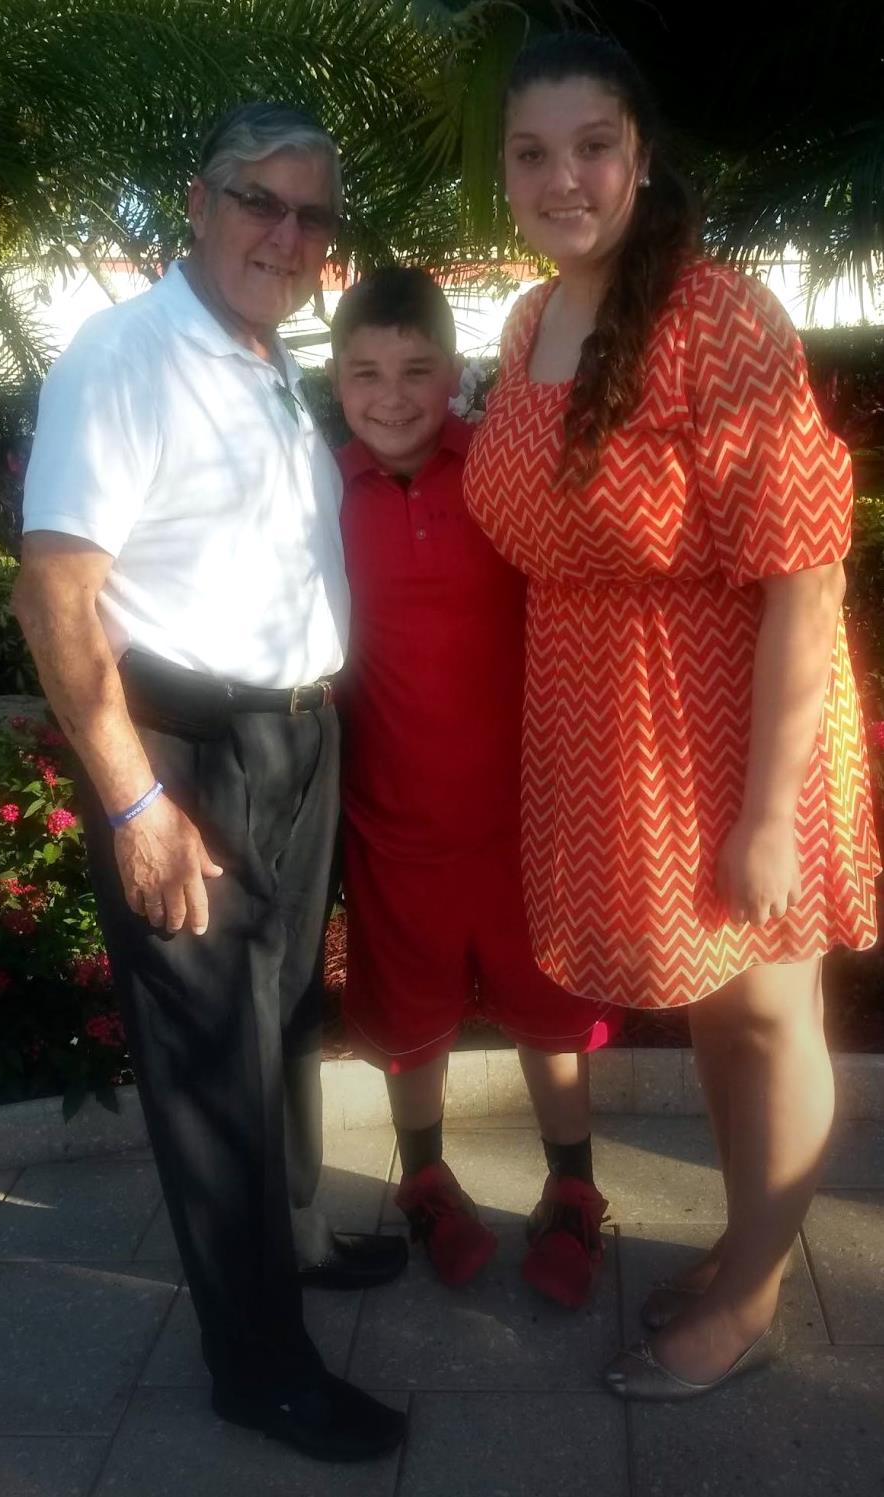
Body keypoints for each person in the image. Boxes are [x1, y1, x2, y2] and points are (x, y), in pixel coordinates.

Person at [464, 35, 881, 1400]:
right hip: (616, 728)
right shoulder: (529, 322)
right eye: (533, 153)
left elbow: (806, 577)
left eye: (593, 146)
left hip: (738, 726)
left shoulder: (720, 318)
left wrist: (768, 812)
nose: (563, 178)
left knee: (769, 1015)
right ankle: (745, 1244)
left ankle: (751, 1293)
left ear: (640, 157)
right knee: (715, 1011)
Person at [13, 102, 407, 1462]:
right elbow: (54, 594)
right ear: (199, 202)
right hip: (186, 750)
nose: (287, 235)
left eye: (312, 215)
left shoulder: (264, 355)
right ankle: (261, 1369)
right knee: (209, 1062)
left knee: (282, 1017)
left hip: (294, 735)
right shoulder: (127, 357)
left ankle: (294, 1248)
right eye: (260, 202)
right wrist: (135, 804)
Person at [328, 266, 620, 1308]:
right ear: (336, 377)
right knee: (410, 1024)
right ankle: (424, 1180)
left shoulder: (500, 470)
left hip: (524, 820)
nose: (392, 396)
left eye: (416, 370)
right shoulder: (319, 492)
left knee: (552, 1016)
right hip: (392, 821)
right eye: (366, 373)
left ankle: (573, 1189)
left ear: (453, 372)